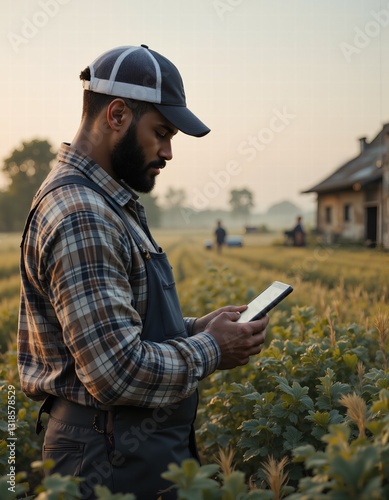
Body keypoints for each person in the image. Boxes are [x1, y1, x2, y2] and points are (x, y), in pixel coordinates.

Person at [17, 45, 268, 500]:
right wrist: (212, 348)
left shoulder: (107, 202)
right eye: (162, 132)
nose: (169, 152)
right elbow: (114, 371)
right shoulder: (83, 214)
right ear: (116, 115)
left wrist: (195, 328)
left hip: (120, 447)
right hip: (107, 458)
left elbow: (118, 327)